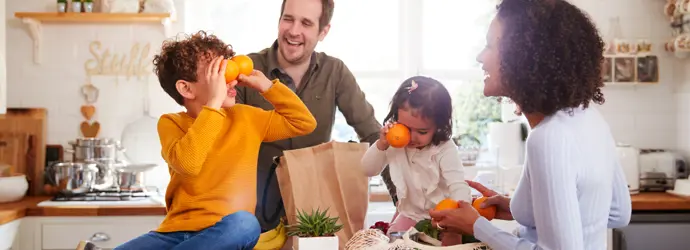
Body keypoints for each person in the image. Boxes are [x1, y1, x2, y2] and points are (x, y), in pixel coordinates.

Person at [428, 0, 632, 249]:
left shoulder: (548, 138)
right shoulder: (590, 118)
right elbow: (617, 213)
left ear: (523, 56)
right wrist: (525, 209)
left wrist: (477, 227)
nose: (480, 57)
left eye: (491, 45)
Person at [114, 31, 317, 250]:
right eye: (217, 71)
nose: (230, 77)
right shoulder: (171, 123)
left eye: (227, 66)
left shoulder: (247, 118)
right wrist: (213, 103)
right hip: (174, 234)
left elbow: (303, 122)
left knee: (246, 224)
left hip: (228, 232)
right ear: (186, 88)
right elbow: (188, 164)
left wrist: (268, 87)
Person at [235, 0, 397, 233]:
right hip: (254, 214)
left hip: (313, 215)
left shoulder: (335, 72)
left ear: (323, 31)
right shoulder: (247, 71)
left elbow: (373, 134)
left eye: (306, 23)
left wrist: (399, 198)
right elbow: (227, 140)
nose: (293, 31)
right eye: (288, 19)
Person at [361, 76, 472, 245]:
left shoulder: (445, 149)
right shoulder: (394, 142)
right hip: (410, 215)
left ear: (439, 126)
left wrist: (457, 223)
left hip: (445, 218)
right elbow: (368, 170)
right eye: (406, 128)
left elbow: (458, 187)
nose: (411, 138)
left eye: (421, 131)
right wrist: (381, 144)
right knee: (395, 243)